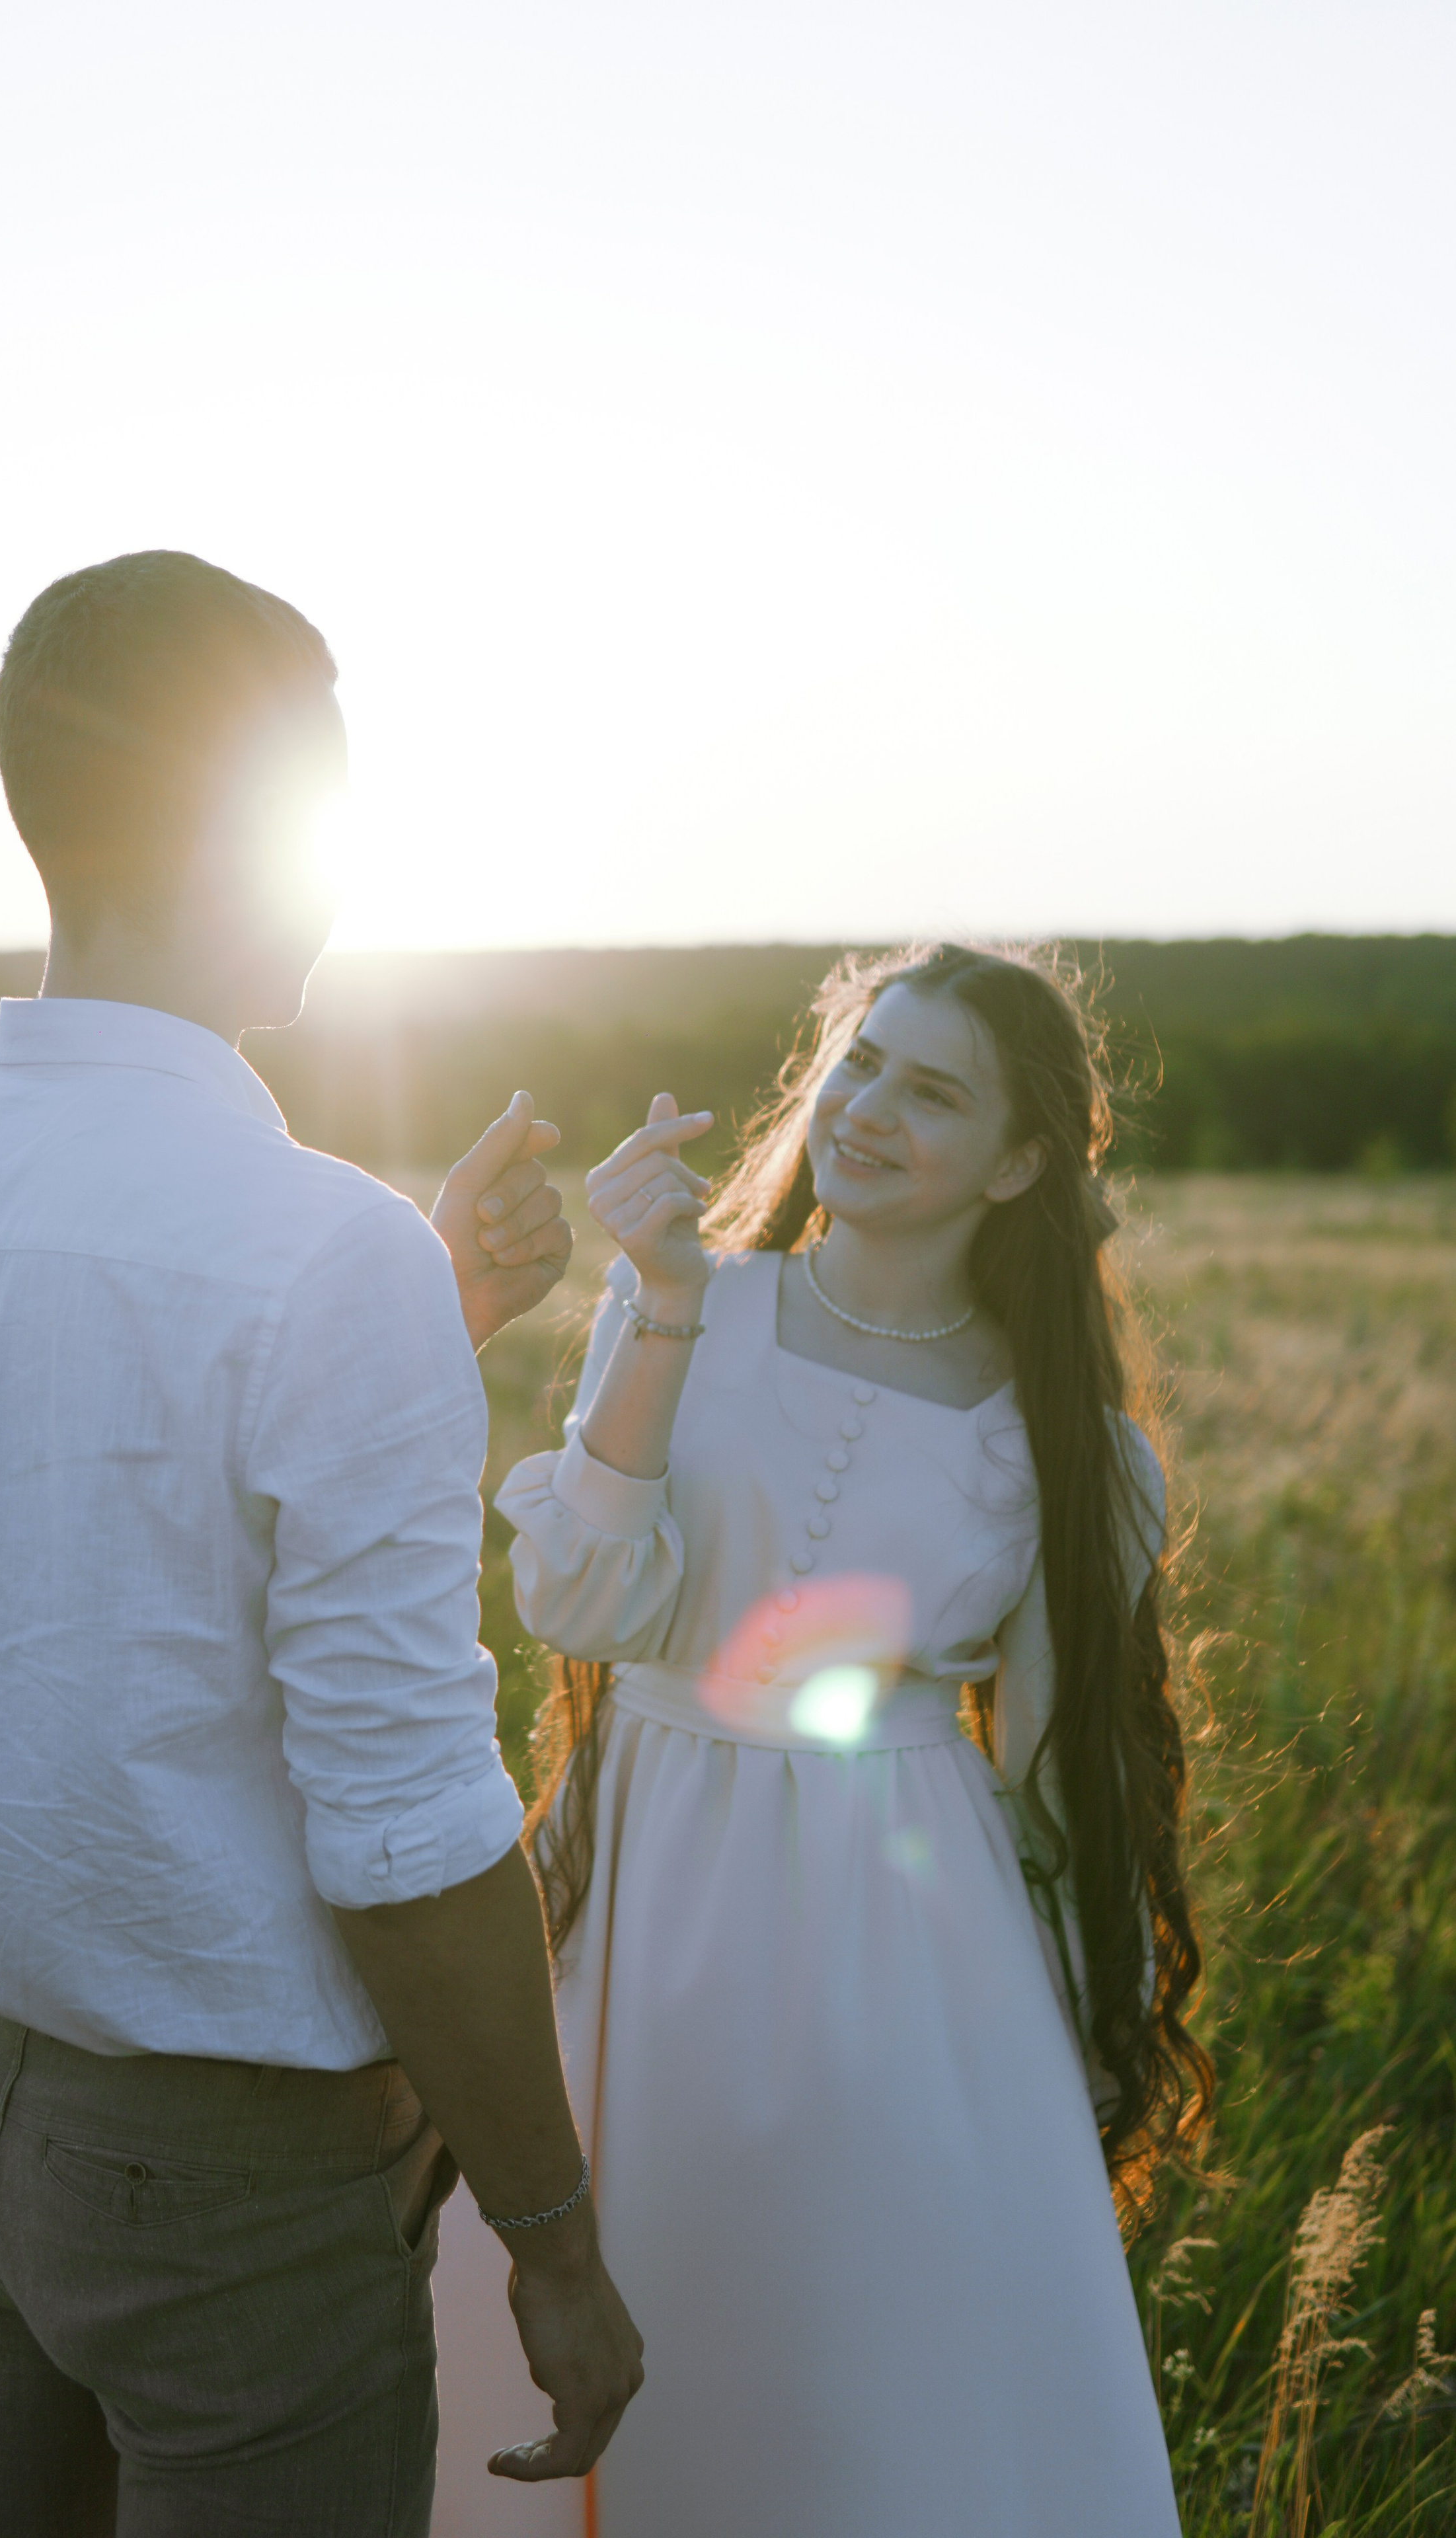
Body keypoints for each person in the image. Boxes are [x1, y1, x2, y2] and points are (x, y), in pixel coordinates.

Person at [0, 549, 642, 2537]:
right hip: (236, 2194)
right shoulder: (308, 1251)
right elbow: (413, 1830)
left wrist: (410, 1311)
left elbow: (90, 1554)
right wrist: (551, 2235)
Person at [430, 942, 1213, 2537]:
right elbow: (580, 1600)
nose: (864, 1109)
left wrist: (1066, 2056)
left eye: (930, 1092)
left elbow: (1057, 1784)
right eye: (860, 1062)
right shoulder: (690, 1303)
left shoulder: (1074, 1444)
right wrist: (655, 1311)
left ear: (1019, 1163)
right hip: (636, 1914)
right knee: (618, 2301)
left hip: (913, 1964)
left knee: (867, 2383)